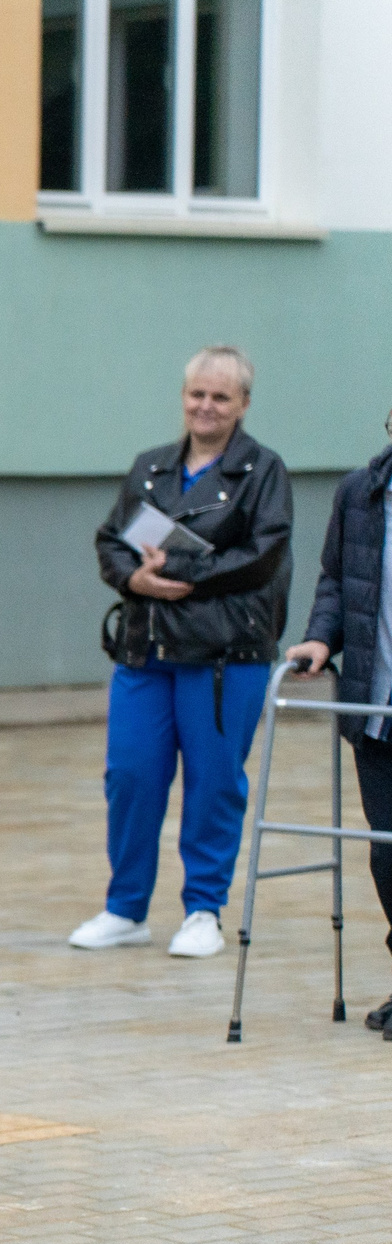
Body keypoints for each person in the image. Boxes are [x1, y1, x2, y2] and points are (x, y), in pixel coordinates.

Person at [71, 345, 293, 959]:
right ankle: (125, 908)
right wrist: (133, 579)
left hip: (227, 657)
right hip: (146, 651)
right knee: (131, 778)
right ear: (183, 396)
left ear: (243, 404)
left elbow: (263, 556)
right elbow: (112, 540)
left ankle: (203, 910)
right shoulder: (151, 467)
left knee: (214, 782)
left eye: (221, 397)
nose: (206, 406)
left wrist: (185, 570)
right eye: (197, 393)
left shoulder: (263, 472)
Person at [282, 415, 392, 1036]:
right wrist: (320, 639)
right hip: (377, 707)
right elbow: (336, 581)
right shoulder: (360, 492)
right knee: (388, 855)